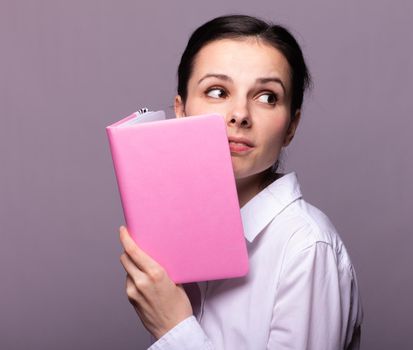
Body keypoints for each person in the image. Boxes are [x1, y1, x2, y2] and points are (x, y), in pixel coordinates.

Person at [118, 14, 362, 350]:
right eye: (217, 91)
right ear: (181, 111)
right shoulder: (181, 237)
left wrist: (173, 327)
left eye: (267, 97)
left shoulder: (306, 247)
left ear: (291, 125)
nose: (240, 114)